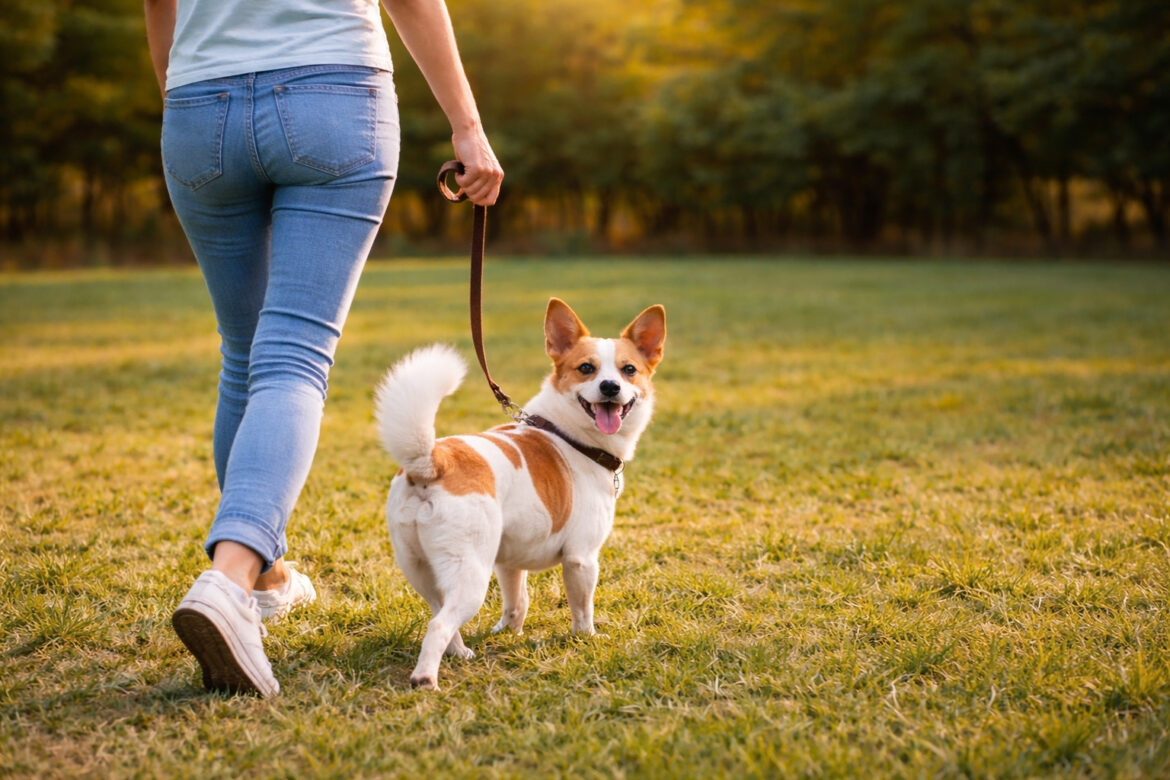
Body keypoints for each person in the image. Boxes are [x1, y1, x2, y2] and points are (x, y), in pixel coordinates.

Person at [144, 0, 503, 697]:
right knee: (291, 356)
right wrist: (468, 128)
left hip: (198, 103)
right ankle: (232, 578)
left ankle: (268, 583)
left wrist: (185, 97)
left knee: (247, 355)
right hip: (331, 92)